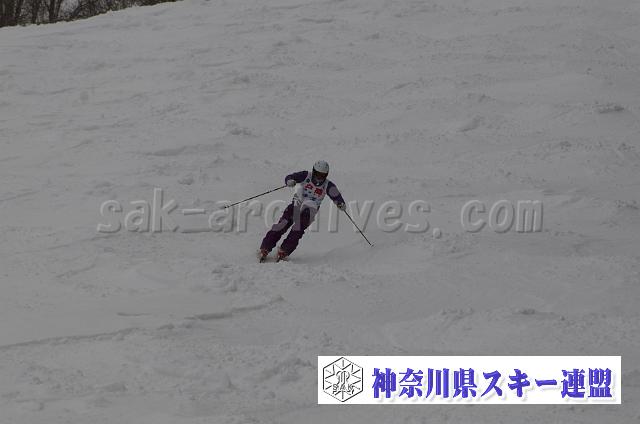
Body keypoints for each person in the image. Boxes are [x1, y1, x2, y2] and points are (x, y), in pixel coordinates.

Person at [259, 160, 345, 261]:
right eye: (317, 174)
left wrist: (340, 203)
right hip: (296, 205)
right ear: (313, 171)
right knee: (282, 225)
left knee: (297, 231)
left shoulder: (327, 185)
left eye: (322, 175)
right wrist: (289, 181)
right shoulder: (305, 175)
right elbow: (290, 177)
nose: (319, 177)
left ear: (326, 175)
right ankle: (266, 247)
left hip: (309, 211)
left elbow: (336, 195)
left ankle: (284, 250)